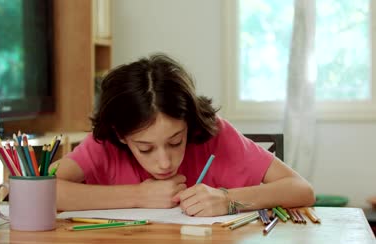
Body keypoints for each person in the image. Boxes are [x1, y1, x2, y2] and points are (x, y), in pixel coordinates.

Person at [55, 53, 315, 216]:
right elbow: (32, 191)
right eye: (145, 148)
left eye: (176, 141)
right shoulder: (105, 143)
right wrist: (138, 195)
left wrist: (229, 200)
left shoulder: (214, 135)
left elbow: (301, 190)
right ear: (121, 136)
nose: (165, 162)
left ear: (189, 123)